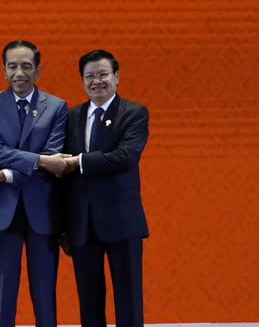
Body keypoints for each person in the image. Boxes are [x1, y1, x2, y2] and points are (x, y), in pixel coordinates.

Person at [0, 40, 68, 327]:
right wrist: (39, 161)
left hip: (42, 209)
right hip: (2, 209)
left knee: (44, 291)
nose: (20, 72)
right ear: (3, 70)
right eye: (13, 66)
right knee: (4, 291)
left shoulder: (56, 106)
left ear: (38, 69)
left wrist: (8, 170)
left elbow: (55, 153)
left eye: (26, 66)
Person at [59, 50, 149, 327]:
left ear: (116, 77)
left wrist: (79, 161)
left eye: (103, 74)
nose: (96, 81)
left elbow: (126, 156)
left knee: (129, 298)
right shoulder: (71, 116)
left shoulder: (134, 113)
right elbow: (62, 175)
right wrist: (63, 224)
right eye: (90, 76)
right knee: (89, 299)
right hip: (83, 223)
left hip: (122, 220)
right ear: (82, 80)